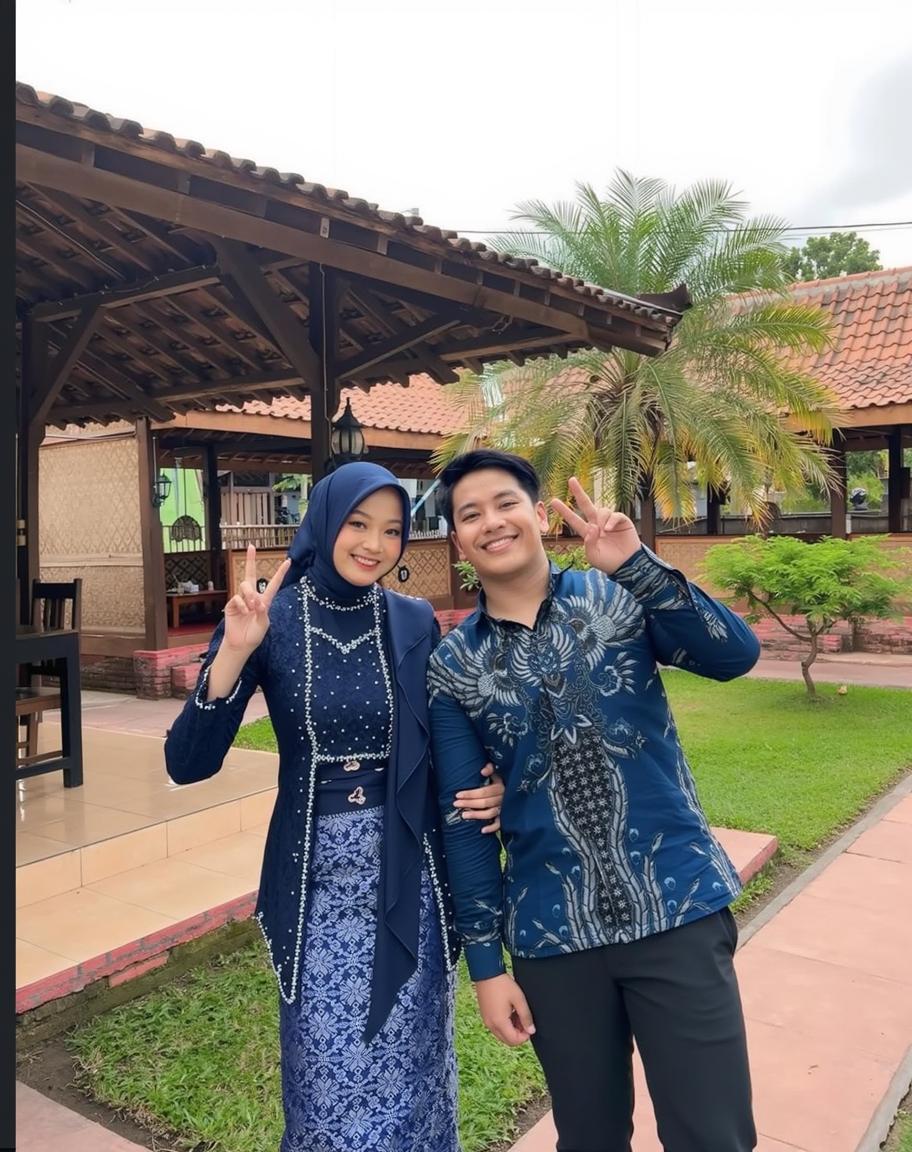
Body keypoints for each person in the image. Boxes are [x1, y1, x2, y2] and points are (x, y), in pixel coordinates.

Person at [428, 449, 761, 1152]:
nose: (492, 522)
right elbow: (464, 822)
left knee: (714, 1136)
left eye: (505, 503)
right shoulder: (454, 665)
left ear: (538, 512)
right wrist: (486, 967)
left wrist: (636, 564)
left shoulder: (615, 596)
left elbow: (735, 656)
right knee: (588, 1139)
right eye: (470, 514)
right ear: (458, 541)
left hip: (675, 908)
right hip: (555, 938)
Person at [164, 462, 504, 1152]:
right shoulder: (270, 617)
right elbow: (187, 763)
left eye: (391, 530)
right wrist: (233, 652)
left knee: (415, 1074)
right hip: (316, 884)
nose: (373, 544)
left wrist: (492, 783)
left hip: (410, 877)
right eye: (357, 524)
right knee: (326, 1078)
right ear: (323, 521)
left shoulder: (411, 621)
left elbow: (449, 743)